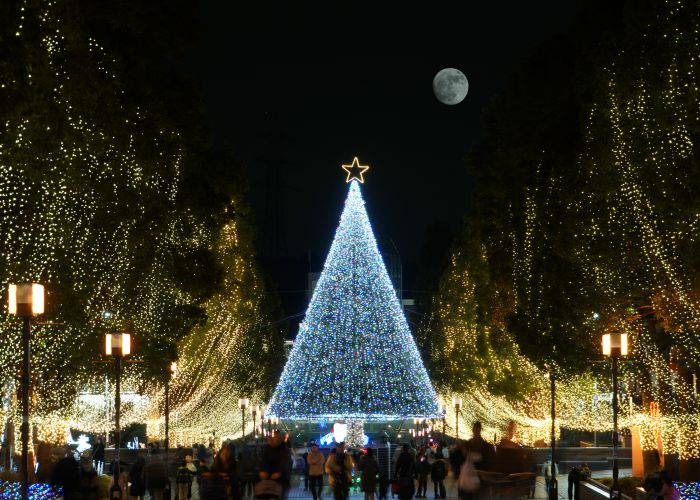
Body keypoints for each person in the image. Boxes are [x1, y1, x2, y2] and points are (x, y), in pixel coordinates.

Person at [259, 431, 292, 499]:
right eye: (273, 437)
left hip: (281, 479)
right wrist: (263, 471)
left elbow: (286, 462)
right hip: (269, 477)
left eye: (277, 437)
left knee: (279, 495)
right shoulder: (267, 448)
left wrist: (279, 473)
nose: (274, 439)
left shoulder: (283, 448)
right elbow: (263, 461)